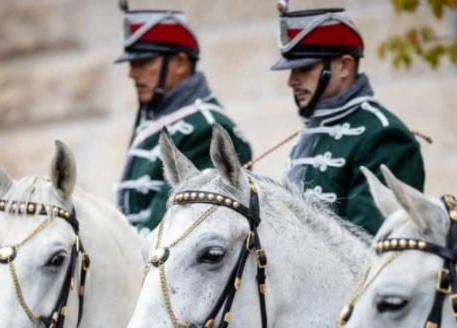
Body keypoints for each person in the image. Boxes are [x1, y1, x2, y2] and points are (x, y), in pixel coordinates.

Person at [271, 6, 425, 235]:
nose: (291, 81)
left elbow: (370, 247)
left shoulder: (383, 135)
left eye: (304, 67)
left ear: (344, 66)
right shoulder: (313, 131)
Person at [115, 8, 252, 234]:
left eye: (143, 62)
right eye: (132, 64)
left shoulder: (206, 127)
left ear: (180, 63)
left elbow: (176, 225)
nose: (132, 73)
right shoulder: (157, 121)